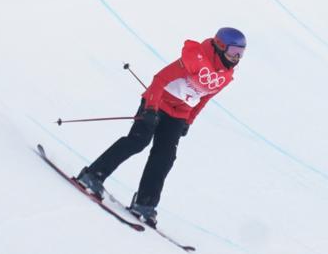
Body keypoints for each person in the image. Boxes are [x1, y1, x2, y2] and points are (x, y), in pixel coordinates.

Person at [76, 27, 246, 226]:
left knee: (165, 157)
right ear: (220, 46)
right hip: (157, 103)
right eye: (234, 52)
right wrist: (150, 108)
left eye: (241, 54)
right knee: (138, 141)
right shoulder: (196, 57)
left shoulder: (225, 75)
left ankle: (145, 203)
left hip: (179, 114)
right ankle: (92, 175)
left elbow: (204, 99)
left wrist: (188, 121)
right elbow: (160, 79)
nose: (237, 58)